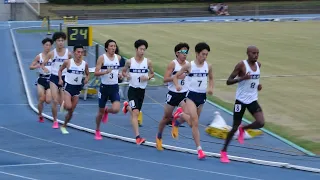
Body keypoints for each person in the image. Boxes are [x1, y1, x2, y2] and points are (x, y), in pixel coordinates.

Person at [220, 45, 264, 163]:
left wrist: (257, 86)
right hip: (241, 100)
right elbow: (228, 81)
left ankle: (243, 128)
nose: (256, 55)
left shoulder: (258, 65)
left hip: (252, 99)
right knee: (234, 127)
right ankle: (223, 151)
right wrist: (242, 78)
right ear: (248, 53)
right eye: (253, 53)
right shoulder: (241, 65)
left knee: (260, 122)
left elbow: (255, 80)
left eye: (257, 53)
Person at [172, 42, 214, 159]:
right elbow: (175, 76)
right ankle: (199, 149)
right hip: (191, 96)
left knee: (192, 123)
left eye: (206, 55)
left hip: (202, 97)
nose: (204, 57)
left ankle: (180, 115)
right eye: (202, 54)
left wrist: (210, 88)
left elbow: (211, 78)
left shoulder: (208, 66)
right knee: (195, 122)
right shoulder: (189, 66)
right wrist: (177, 85)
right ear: (197, 54)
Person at [156, 42, 190, 151]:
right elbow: (165, 79)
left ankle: (176, 123)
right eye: (183, 52)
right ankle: (159, 137)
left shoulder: (189, 64)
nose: (185, 54)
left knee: (188, 114)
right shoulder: (173, 64)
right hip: (172, 93)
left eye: (187, 52)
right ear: (177, 53)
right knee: (166, 118)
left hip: (184, 94)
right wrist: (178, 76)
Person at [121, 39, 154, 145]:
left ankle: (127, 106)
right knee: (135, 113)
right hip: (132, 90)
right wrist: (127, 75)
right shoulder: (130, 62)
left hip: (142, 90)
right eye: (141, 49)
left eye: (144, 50)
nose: (142, 51)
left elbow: (152, 74)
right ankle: (138, 137)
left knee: (136, 112)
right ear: (136, 49)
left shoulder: (148, 62)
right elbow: (123, 72)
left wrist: (148, 77)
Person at [41, 32, 72, 129]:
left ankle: (63, 108)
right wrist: (44, 68)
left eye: (62, 40)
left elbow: (73, 63)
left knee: (64, 103)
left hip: (64, 78)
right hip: (54, 77)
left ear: (64, 41)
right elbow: (42, 63)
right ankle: (55, 120)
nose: (60, 42)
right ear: (55, 42)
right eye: (58, 40)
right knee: (54, 100)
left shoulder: (68, 53)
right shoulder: (52, 53)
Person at [94, 39, 122, 140]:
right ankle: (97, 129)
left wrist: (120, 74)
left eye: (114, 46)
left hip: (114, 87)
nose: (113, 48)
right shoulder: (102, 58)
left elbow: (118, 71)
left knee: (116, 109)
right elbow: (96, 73)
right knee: (99, 112)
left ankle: (107, 110)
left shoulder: (118, 58)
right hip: (104, 88)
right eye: (111, 46)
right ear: (106, 48)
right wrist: (105, 72)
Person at [58, 45, 89, 134]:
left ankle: (64, 126)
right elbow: (60, 70)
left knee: (71, 111)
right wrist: (60, 79)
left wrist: (87, 78)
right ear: (74, 52)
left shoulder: (84, 64)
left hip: (77, 88)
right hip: (68, 87)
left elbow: (87, 74)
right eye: (78, 52)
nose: (80, 54)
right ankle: (64, 104)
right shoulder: (68, 62)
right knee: (69, 106)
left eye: (81, 52)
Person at [29, 38, 53, 123]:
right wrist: (37, 66)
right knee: (42, 99)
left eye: (49, 45)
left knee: (48, 100)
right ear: (43, 46)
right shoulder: (39, 56)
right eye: (46, 45)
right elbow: (30, 67)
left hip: (50, 80)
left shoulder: (53, 56)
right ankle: (40, 114)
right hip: (41, 79)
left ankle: (46, 97)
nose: (48, 47)